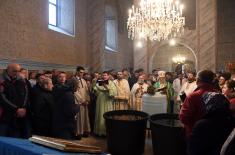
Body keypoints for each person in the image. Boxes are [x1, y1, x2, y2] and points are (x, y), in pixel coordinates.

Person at [179, 70, 218, 138]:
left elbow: (184, 118)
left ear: (198, 80)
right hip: (214, 134)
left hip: (195, 134)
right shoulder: (218, 94)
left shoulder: (193, 96)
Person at [0, 63, 30, 138]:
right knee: (3, 140)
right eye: (14, 71)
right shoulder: (1, 80)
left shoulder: (21, 80)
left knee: (15, 140)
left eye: (18, 71)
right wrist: (16, 109)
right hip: (4, 116)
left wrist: (23, 108)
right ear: (8, 70)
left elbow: (26, 94)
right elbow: (2, 98)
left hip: (18, 117)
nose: (16, 73)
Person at [93, 71, 117, 136]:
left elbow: (114, 93)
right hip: (100, 101)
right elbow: (96, 92)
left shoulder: (111, 83)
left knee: (107, 115)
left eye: (105, 75)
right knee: (100, 114)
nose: (104, 76)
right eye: (103, 75)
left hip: (107, 102)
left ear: (108, 76)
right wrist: (95, 88)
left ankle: (107, 132)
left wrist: (106, 87)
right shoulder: (99, 82)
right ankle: (99, 132)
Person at [74, 66, 91, 138]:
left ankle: (84, 131)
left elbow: (86, 92)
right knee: (79, 119)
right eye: (80, 72)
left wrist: (87, 100)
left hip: (85, 103)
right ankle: (78, 133)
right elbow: (74, 92)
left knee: (85, 118)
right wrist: (82, 101)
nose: (82, 74)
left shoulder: (83, 80)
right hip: (78, 102)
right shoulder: (73, 80)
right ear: (77, 72)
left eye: (83, 73)